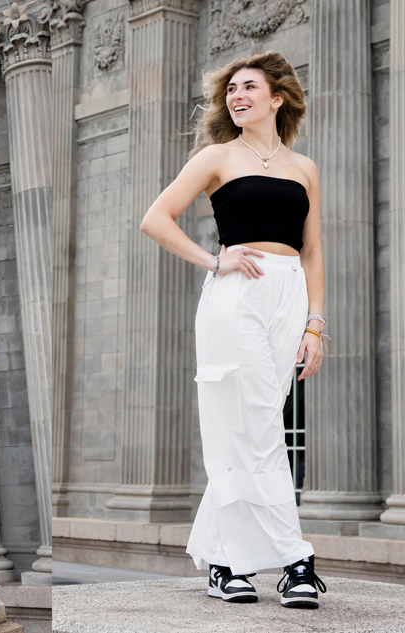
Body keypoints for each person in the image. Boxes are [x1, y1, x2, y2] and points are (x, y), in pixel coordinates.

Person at [139, 51, 328, 608]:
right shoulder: (216, 157)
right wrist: (213, 260)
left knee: (259, 422)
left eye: (249, 87)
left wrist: (316, 323)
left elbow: (313, 249)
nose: (236, 97)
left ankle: (224, 563)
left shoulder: (304, 168)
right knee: (253, 430)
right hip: (236, 292)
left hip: (289, 290)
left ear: (277, 98)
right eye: (230, 91)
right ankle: (296, 560)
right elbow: (155, 218)